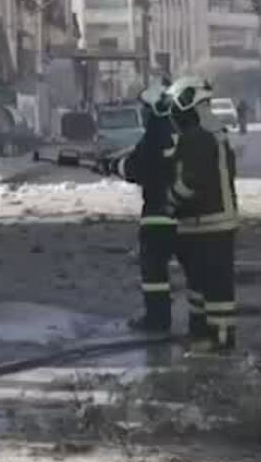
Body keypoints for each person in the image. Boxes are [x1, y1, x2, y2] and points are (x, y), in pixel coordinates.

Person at [167, 75, 241, 352]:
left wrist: (168, 202)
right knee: (199, 286)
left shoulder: (198, 136)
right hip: (206, 224)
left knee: (215, 288)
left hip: (209, 224)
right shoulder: (213, 132)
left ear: (187, 104)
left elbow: (191, 183)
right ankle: (201, 334)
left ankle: (220, 339)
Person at [102, 83, 182, 333]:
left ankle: (157, 320)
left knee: (154, 271)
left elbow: (138, 168)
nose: (143, 113)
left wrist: (114, 167)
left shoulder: (154, 136)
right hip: (186, 216)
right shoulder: (182, 132)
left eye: (145, 108)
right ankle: (201, 324)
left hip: (158, 215)